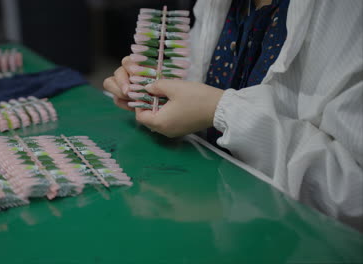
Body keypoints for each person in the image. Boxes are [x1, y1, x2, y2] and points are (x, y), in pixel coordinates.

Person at [103, 0, 363, 230]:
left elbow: (353, 195)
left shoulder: (349, 15)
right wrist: (150, 90)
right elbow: (195, 77)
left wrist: (222, 111)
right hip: (199, 208)